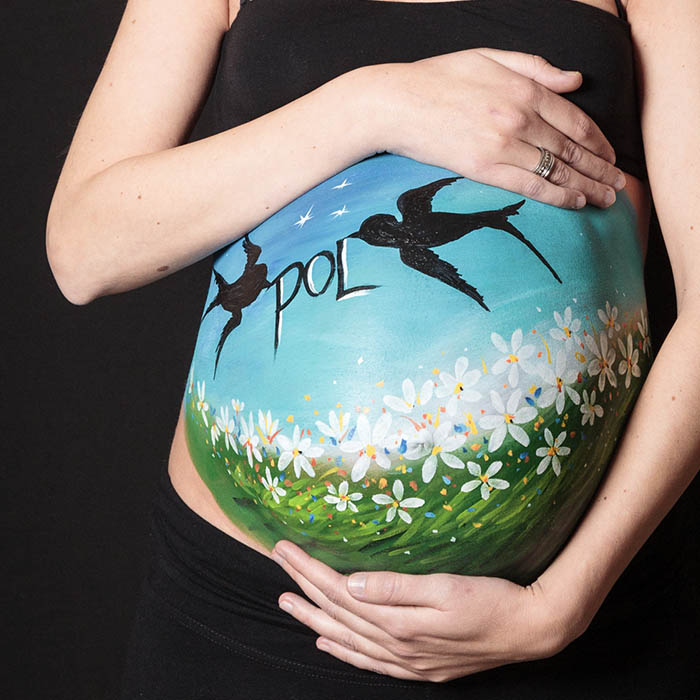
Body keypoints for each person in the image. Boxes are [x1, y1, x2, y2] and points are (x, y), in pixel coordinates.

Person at [45, 0, 699, 697]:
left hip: (584, 612)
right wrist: (375, 104)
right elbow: (85, 251)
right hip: (251, 608)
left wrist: (561, 604)